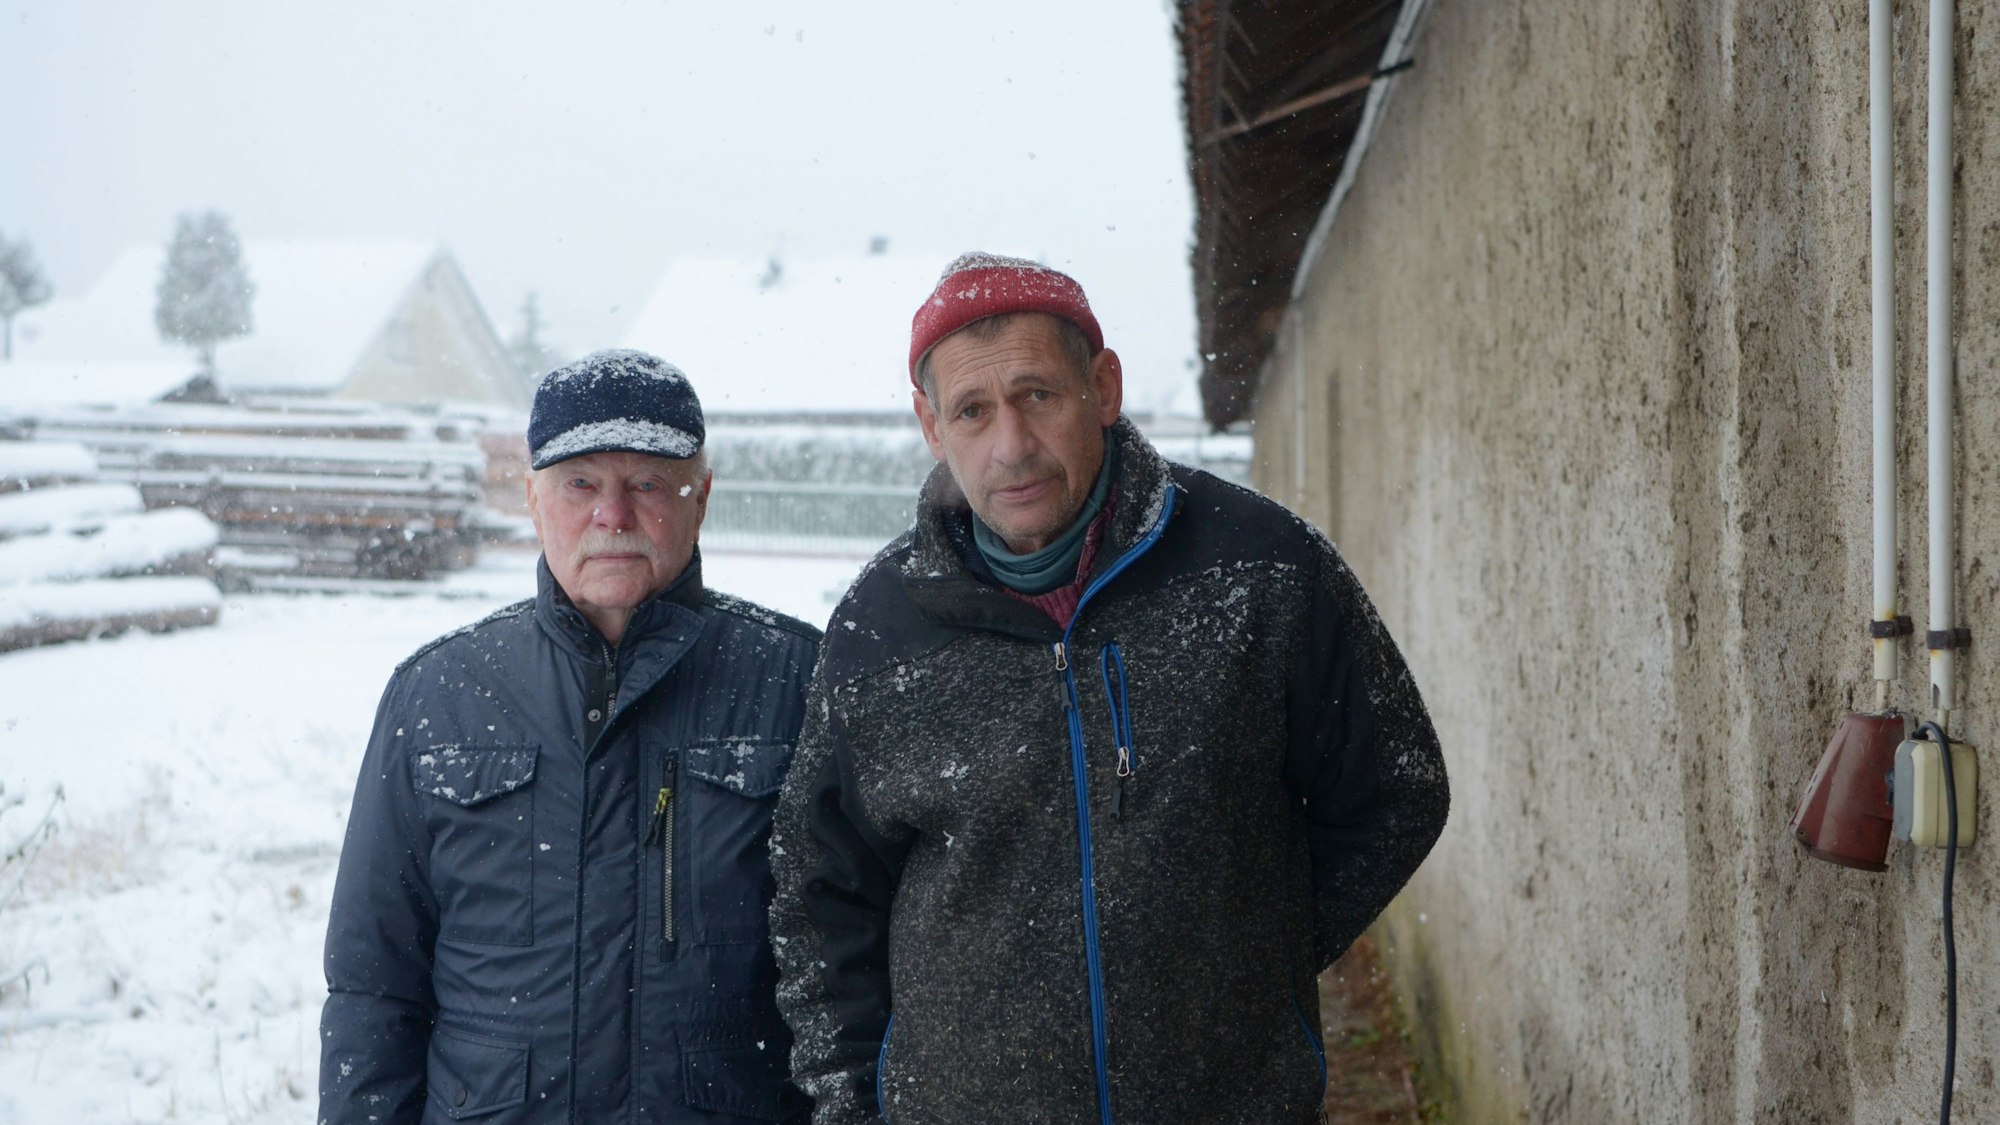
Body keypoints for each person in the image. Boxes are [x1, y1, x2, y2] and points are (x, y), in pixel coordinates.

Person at [769, 254, 1450, 1124]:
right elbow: (819, 895)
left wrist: (1244, 968)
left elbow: (1395, 788)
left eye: (1038, 395)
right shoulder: (878, 629)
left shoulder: (1260, 568)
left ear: (1104, 386)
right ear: (931, 426)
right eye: (972, 411)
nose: (1011, 445)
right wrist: (854, 1105)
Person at [320, 349, 819, 1125]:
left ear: (701, 497)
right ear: (533, 498)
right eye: (580, 483)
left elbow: (853, 978)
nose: (612, 515)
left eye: (646, 483)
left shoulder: (799, 683)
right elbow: (373, 986)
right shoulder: (438, 695)